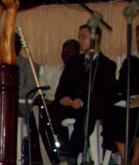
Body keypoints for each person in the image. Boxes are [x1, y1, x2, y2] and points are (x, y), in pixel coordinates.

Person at [50, 24, 117, 157]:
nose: (80, 40)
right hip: (70, 105)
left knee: (86, 116)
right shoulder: (74, 62)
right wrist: (64, 98)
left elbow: (104, 92)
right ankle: (54, 150)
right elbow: (62, 87)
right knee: (48, 113)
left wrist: (82, 101)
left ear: (95, 37)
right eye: (79, 37)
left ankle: (72, 153)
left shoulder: (107, 65)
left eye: (83, 37)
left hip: (90, 106)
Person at [103, 23, 139, 165]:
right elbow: (122, 84)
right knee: (113, 112)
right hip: (129, 101)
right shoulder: (131, 60)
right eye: (137, 35)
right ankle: (125, 158)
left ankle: (136, 160)